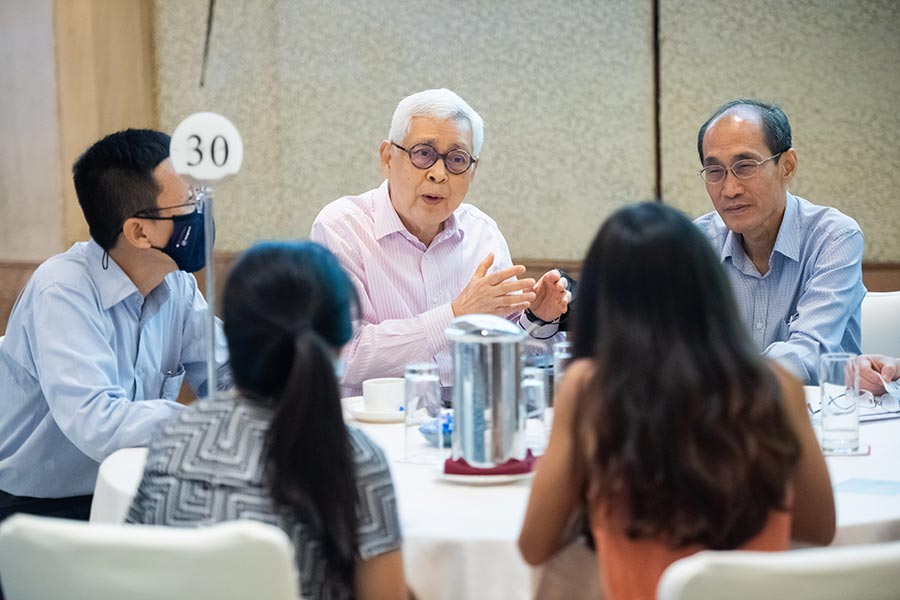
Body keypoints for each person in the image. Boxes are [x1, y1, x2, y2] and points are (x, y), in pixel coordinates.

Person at [518, 203, 834, 600]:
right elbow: (819, 529)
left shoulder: (589, 391)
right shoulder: (776, 385)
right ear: (711, 288)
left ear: (602, 301)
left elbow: (534, 546)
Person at [127, 241, 409, 600]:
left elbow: (133, 569)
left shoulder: (174, 436)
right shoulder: (354, 461)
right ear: (339, 343)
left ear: (231, 334)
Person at [0, 129, 229, 519]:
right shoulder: (62, 292)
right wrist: (205, 422)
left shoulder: (176, 283)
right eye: (189, 203)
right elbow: (97, 422)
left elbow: (224, 371)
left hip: (129, 484)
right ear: (139, 232)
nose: (201, 212)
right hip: (37, 507)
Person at [311, 88, 570, 394]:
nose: (438, 174)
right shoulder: (342, 228)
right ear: (388, 158)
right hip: (376, 430)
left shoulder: (482, 234)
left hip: (471, 421)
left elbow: (509, 358)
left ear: (472, 172)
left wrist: (538, 319)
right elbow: (342, 358)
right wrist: (455, 315)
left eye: (457, 159)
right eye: (423, 153)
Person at [693, 99, 865, 384]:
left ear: (787, 166)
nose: (730, 189)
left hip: (818, 420)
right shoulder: (697, 245)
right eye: (715, 172)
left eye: (745, 166)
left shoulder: (834, 238)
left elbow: (809, 352)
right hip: (723, 422)